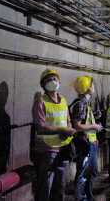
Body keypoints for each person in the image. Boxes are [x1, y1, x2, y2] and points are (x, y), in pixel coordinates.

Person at [32, 69, 76, 201]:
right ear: (43, 84)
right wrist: (62, 131)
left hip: (63, 149)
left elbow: (68, 122)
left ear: (59, 82)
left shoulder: (63, 101)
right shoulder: (40, 102)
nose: (52, 82)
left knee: (60, 187)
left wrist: (69, 130)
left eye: (54, 79)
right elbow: (40, 128)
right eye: (48, 80)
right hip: (46, 151)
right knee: (45, 187)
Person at [71, 76, 103, 200]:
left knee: (92, 170)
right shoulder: (80, 104)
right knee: (83, 173)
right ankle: (81, 198)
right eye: (91, 84)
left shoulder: (85, 103)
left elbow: (84, 120)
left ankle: (88, 196)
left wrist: (94, 118)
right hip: (84, 144)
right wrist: (94, 126)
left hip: (90, 143)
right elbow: (77, 126)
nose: (93, 87)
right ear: (87, 88)